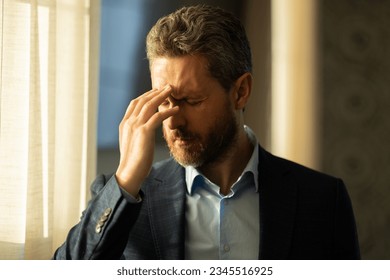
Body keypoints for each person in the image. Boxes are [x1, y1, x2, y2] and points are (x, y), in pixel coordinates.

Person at [53, 4, 360, 260]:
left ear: (240, 92)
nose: (172, 121)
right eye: (164, 101)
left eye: (190, 101)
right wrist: (126, 180)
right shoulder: (126, 194)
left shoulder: (321, 201)